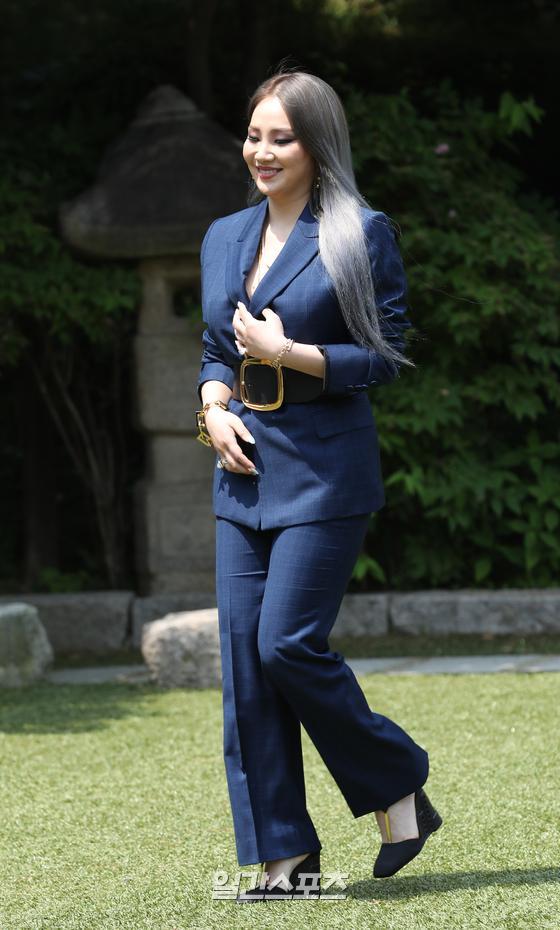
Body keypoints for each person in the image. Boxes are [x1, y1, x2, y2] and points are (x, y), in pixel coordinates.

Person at [195, 67, 442, 902]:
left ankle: (397, 782)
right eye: (254, 135)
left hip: (326, 471)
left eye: (282, 138)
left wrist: (290, 355)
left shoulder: (360, 233)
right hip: (243, 471)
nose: (261, 152)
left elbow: (387, 355)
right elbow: (214, 349)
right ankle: (286, 860)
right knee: (245, 666)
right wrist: (212, 407)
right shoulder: (223, 235)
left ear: (317, 145)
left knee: (286, 645)